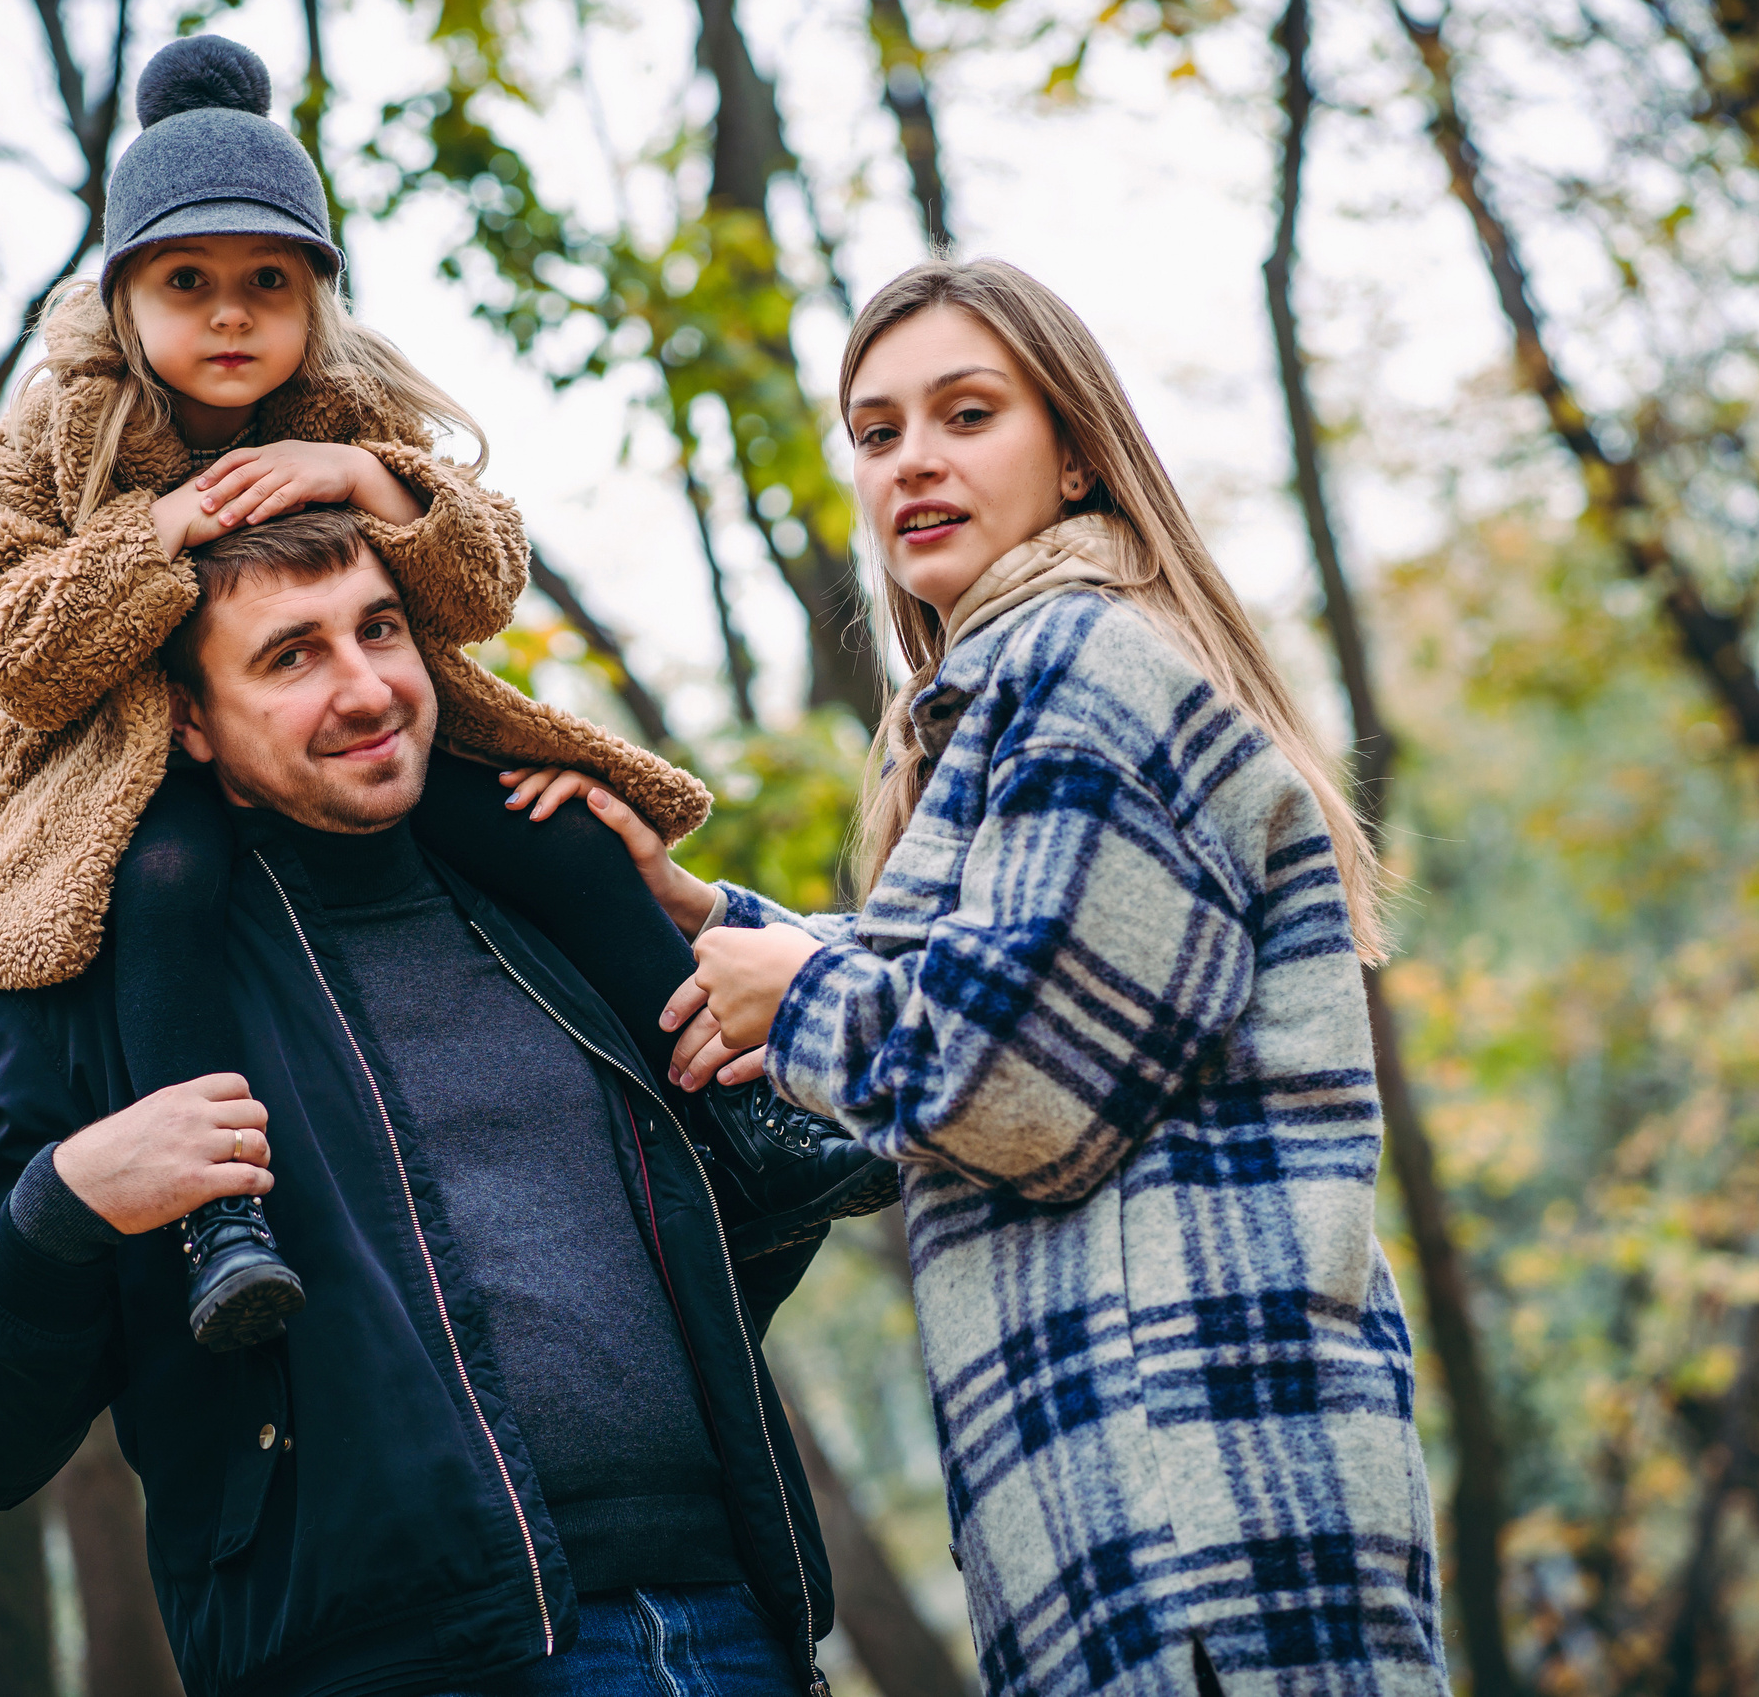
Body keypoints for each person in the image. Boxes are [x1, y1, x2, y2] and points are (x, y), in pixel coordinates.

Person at [0, 33, 887, 1348]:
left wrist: (377, 488)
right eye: (189, 282)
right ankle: (223, 1220)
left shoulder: (348, 401)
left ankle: (736, 1116)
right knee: (158, 884)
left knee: (560, 822)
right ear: (124, 299)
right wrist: (148, 543)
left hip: (353, 734)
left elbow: (487, 577)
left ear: (316, 293)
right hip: (134, 769)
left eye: (268, 280)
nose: (230, 314)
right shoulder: (66, 431)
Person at [586, 260, 1449, 1695]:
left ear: (1077, 451)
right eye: (876, 432)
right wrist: (711, 916)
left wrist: (789, 1000)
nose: (912, 457)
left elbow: (1018, 1082)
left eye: (966, 412)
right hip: (1138, 1527)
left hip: (1208, 1528)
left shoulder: (1087, 668)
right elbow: (1002, 978)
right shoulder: (1017, 690)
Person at [0, 507, 839, 1697]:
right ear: (184, 718)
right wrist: (68, 1199)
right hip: (400, 1664)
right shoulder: (89, 992)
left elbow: (707, 1252)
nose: (366, 688)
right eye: (292, 655)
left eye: (380, 630)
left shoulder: (545, 899)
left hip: (734, 1628)